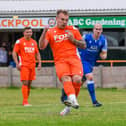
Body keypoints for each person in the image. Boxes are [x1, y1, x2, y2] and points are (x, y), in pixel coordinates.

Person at [39, 9, 86, 115]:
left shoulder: (73, 29)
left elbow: (84, 45)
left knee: (77, 80)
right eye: (62, 19)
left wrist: (73, 40)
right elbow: (42, 46)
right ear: (57, 19)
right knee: (66, 78)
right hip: (60, 61)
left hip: (74, 59)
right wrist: (44, 32)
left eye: (66, 20)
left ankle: (69, 107)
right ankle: (73, 100)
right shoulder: (50, 32)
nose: (64, 22)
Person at [61, 23, 108, 108]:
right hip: (81, 59)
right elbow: (78, 43)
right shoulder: (86, 37)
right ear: (93, 30)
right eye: (96, 29)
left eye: (100, 29)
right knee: (90, 77)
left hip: (91, 63)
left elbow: (104, 54)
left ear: (102, 30)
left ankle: (66, 94)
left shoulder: (103, 40)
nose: (98, 31)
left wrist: (103, 55)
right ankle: (94, 101)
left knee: (80, 81)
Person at [12, 27, 41, 106]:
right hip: (24, 65)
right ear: (23, 33)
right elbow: (14, 53)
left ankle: (26, 100)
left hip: (32, 65)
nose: (29, 33)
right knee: (25, 82)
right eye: (27, 32)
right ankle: (25, 101)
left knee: (29, 83)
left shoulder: (34, 42)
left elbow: (37, 53)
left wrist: (39, 63)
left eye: (30, 32)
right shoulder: (19, 42)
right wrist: (17, 63)